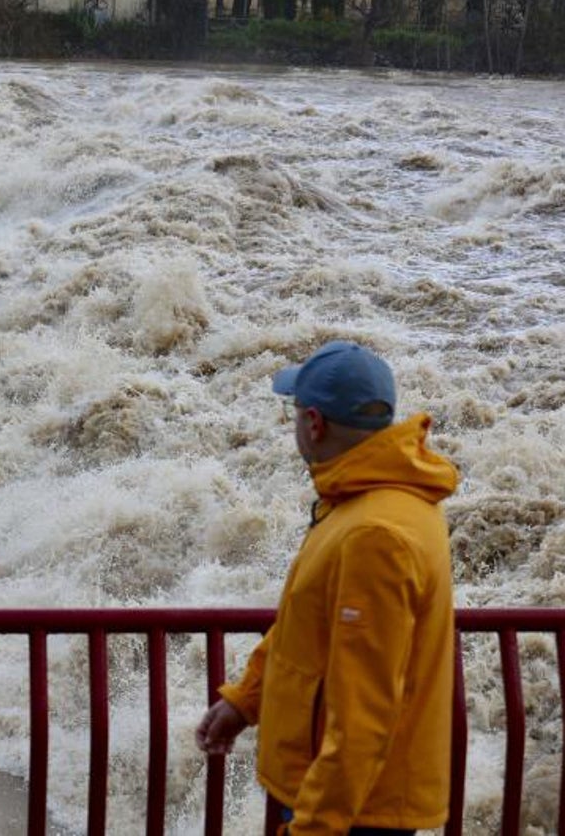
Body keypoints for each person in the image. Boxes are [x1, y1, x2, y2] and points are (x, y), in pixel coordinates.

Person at [195, 340, 459, 835]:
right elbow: (308, 625)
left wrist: (315, 828)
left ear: (314, 423)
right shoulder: (383, 499)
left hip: (354, 811)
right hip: (346, 799)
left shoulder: (373, 535)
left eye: (295, 414)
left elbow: (365, 713)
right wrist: (246, 699)